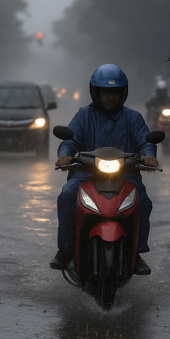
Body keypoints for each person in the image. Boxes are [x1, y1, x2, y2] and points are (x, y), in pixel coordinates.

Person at [50, 64, 159, 275]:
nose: (110, 97)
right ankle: (65, 249)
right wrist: (64, 156)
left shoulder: (133, 118)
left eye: (115, 92)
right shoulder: (83, 115)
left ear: (123, 92)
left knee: (142, 200)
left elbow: (146, 142)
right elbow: (70, 140)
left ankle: (136, 253)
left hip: (125, 174)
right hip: (86, 174)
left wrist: (149, 156)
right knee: (67, 194)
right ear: (96, 92)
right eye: (105, 92)